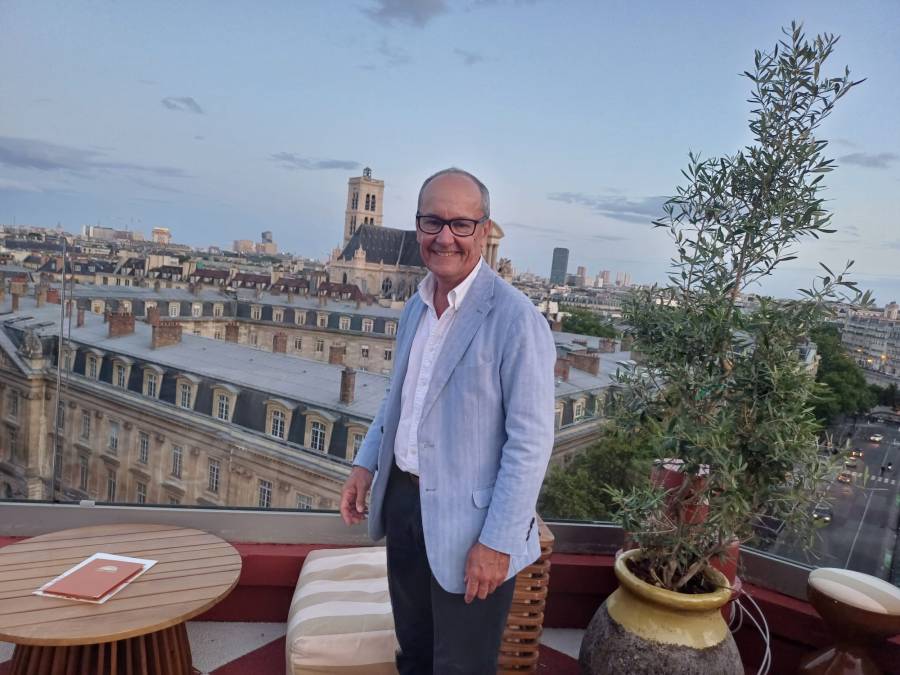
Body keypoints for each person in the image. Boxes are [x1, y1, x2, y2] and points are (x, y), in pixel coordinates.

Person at [340, 168, 556, 674]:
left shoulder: (516, 318)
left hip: (472, 526)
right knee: (414, 655)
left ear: (483, 230)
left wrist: (497, 542)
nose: (445, 237)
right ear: (418, 226)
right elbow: (399, 399)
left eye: (461, 224)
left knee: (462, 666)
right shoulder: (415, 308)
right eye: (432, 222)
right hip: (404, 503)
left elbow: (530, 442)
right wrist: (366, 464)